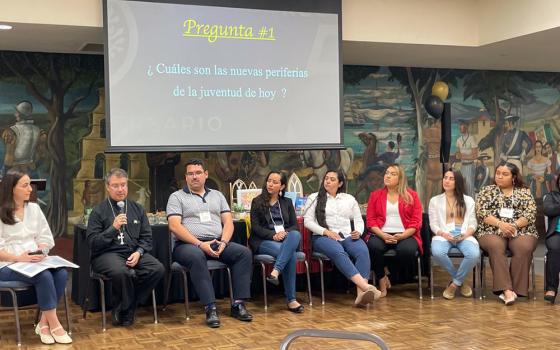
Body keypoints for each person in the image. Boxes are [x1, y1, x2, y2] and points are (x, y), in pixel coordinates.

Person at [167, 158, 253, 328]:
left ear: (206, 174)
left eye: (198, 173)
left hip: (216, 242)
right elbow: (174, 226)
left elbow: (228, 222)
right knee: (197, 256)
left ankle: (238, 304)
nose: (194, 177)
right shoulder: (176, 197)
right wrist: (199, 244)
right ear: (186, 177)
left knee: (244, 253)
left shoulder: (217, 195)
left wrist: (224, 242)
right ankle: (210, 307)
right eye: (190, 174)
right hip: (187, 246)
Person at [0, 170, 72, 344]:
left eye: (30, 185)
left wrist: (41, 250)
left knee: (61, 273)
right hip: (7, 264)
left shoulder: (34, 209)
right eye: (25, 185)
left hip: (33, 261)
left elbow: (45, 238)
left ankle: (43, 323)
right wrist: (19, 257)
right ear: (12, 189)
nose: (30, 189)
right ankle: (54, 324)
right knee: (43, 275)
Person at [87, 168, 165, 326]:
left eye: (123, 185)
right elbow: (93, 243)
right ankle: (128, 310)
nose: (120, 189)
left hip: (132, 253)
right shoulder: (98, 211)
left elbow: (146, 238)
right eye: (115, 186)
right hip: (106, 255)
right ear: (108, 187)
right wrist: (113, 228)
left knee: (157, 268)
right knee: (122, 272)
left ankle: (125, 306)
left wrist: (139, 252)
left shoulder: (137, 209)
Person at [304, 169, 381, 306]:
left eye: (332, 179)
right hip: (323, 237)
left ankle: (361, 295)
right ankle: (365, 287)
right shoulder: (314, 197)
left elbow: (358, 220)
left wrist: (358, 231)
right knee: (338, 251)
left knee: (362, 251)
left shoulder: (349, 199)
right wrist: (326, 232)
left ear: (340, 183)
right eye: (326, 178)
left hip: (347, 236)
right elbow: (307, 221)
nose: (327, 181)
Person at [475, 161, 538, 305]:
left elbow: (531, 213)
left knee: (524, 247)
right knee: (496, 246)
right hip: (491, 230)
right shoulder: (487, 191)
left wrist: (514, 225)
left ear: (514, 177)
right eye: (498, 173)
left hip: (522, 230)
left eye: (505, 174)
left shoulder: (524, 192)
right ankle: (507, 290)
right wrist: (500, 224)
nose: (500, 177)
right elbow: (481, 212)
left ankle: (516, 290)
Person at [249, 171, 304, 313]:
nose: (271, 184)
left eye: (275, 182)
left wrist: (284, 233)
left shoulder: (287, 202)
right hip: (264, 240)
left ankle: (275, 271)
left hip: (285, 239)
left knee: (295, 234)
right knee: (290, 254)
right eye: (269, 181)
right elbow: (255, 228)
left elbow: (294, 226)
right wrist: (273, 235)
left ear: (282, 186)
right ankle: (291, 300)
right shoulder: (257, 201)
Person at [366, 164, 423, 297]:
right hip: (381, 233)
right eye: (387, 173)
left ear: (400, 178)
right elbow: (371, 220)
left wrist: (402, 236)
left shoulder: (412, 196)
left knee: (407, 251)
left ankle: (387, 272)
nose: (388, 176)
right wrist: (383, 235)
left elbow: (416, 222)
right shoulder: (375, 195)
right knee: (373, 247)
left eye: (393, 174)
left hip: (406, 234)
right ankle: (381, 282)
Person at [428, 169, 479, 299]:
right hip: (443, 236)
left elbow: (473, 223)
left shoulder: (469, 201)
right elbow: (433, 224)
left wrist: (466, 234)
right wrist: (443, 234)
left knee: (473, 254)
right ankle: (460, 281)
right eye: (445, 177)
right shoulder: (435, 200)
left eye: (451, 178)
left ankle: (454, 285)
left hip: (464, 236)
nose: (447, 181)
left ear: (458, 182)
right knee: (438, 252)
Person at [543, 175, 560, 303]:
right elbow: (548, 210)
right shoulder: (552, 196)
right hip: (557, 234)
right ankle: (551, 289)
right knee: (554, 250)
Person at [455, 119, 478, 197]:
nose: (462, 127)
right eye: (460, 126)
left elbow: (475, 155)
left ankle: (472, 206)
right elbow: (458, 155)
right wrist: (460, 155)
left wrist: (463, 156)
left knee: (469, 187)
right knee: (462, 186)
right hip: (462, 166)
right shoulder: (458, 140)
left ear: (467, 127)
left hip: (470, 166)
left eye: (464, 126)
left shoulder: (472, 138)